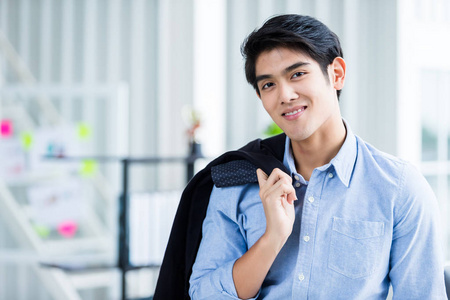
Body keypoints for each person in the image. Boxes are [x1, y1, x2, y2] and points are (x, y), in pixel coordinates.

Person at [182, 14, 448, 299]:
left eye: (297, 74)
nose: (285, 95)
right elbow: (203, 294)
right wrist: (272, 239)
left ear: (336, 74)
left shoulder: (399, 188)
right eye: (268, 85)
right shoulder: (237, 180)